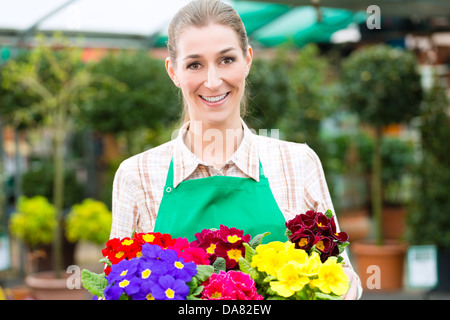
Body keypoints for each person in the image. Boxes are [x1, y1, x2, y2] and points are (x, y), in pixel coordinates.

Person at [111, 0, 362, 299]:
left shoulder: (297, 163)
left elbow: (343, 279)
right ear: (173, 72)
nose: (213, 81)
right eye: (195, 64)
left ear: (248, 60)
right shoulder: (136, 175)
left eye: (226, 60)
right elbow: (117, 286)